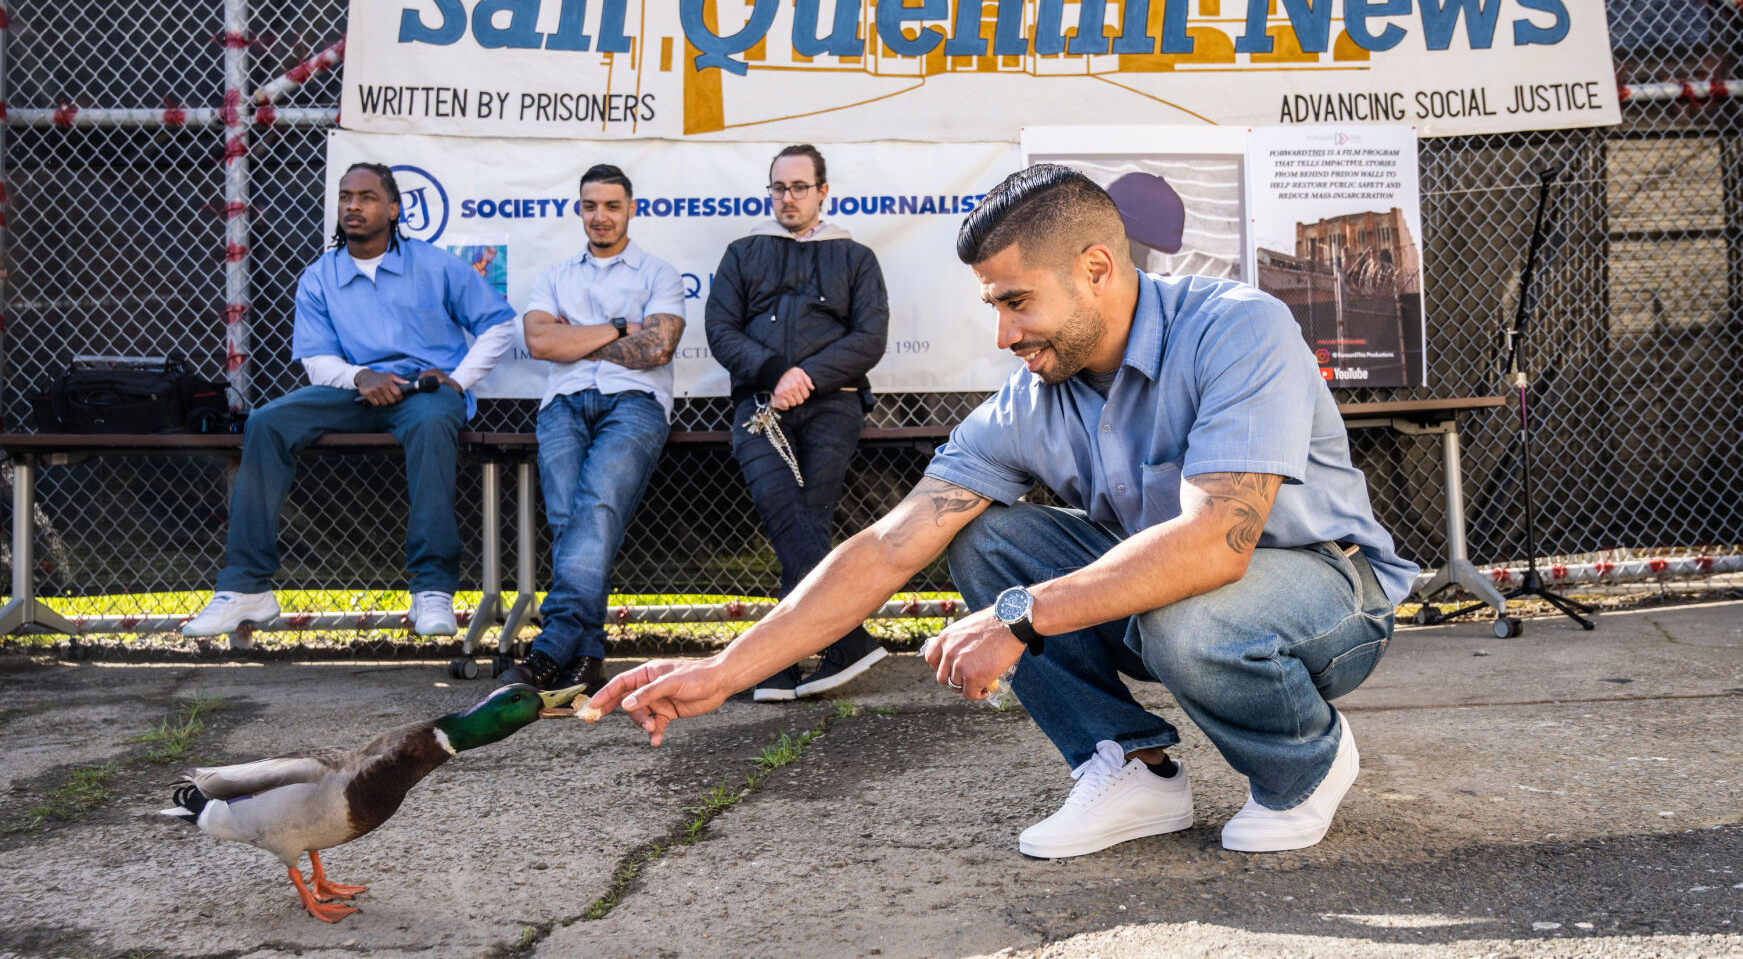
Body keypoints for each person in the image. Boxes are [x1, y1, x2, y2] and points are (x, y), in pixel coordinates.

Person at [593, 165, 1417, 859]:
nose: (1001, 334)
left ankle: (1302, 762)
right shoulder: (1032, 395)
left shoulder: (1237, 327)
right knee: (988, 538)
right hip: (1174, 599)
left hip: (1325, 592)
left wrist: (1021, 618)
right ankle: (1129, 765)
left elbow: (1213, 545)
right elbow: (887, 545)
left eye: (1016, 301)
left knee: (1186, 617)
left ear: (1097, 267)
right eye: (992, 305)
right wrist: (722, 669)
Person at [184, 162, 517, 639]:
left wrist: (459, 381)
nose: (353, 206)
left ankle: (431, 588)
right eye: (345, 197)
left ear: (394, 209)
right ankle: (246, 588)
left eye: (366, 197)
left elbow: (499, 323)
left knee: (428, 424)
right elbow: (318, 362)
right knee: (267, 422)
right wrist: (361, 376)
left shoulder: (435, 264)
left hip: (424, 395)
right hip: (354, 392)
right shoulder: (321, 275)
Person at [705, 144, 890, 702]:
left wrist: (805, 376)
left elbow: (870, 339)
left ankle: (777, 662)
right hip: (759, 404)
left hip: (834, 402)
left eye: (799, 188)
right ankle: (845, 638)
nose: (788, 198)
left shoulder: (856, 259)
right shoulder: (743, 253)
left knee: (808, 516)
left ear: (822, 192)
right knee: (786, 511)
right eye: (779, 188)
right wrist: (774, 372)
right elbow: (720, 329)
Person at [496, 164, 685, 696]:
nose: (600, 216)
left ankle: (552, 646)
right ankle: (588, 655)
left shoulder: (658, 274)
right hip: (562, 405)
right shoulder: (555, 276)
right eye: (590, 206)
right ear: (579, 209)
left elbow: (658, 348)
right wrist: (623, 328)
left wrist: (574, 338)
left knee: (596, 507)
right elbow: (539, 343)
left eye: (611, 206)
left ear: (631, 209)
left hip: (636, 403)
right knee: (569, 520)